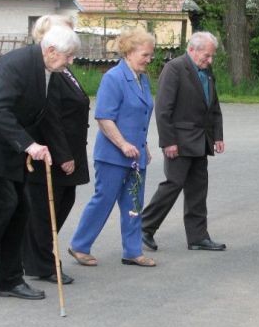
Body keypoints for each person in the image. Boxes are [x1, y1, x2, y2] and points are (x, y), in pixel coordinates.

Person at [0, 25, 81, 302]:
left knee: (21, 208)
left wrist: (57, 150)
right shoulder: (18, 64)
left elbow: (48, 115)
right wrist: (29, 144)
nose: (70, 62)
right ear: (51, 50)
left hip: (8, 145)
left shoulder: (48, 70)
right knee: (2, 204)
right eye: (68, 56)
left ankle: (9, 279)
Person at [68, 28, 156, 267]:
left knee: (134, 204)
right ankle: (79, 245)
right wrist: (123, 144)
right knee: (103, 200)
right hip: (112, 156)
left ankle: (132, 251)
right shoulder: (113, 78)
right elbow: (104, 118)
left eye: (151, 55)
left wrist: (143, 144)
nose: (149, 59)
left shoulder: (143, 79)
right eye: (145, 55)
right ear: (129, 52)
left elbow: (139, 115)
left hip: (136, 155)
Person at [140, 31, 226, 252]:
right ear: (192, 49)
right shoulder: (175, 68)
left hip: (201, 140)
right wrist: (168, 141)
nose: (210, 60)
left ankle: (198, 237)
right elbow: (163, 109)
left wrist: (217, 135)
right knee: (173, 184)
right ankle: (144, 227)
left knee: (198, 188)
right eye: (207, 56)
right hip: (179, 140)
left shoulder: (206, 71)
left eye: (211, 56)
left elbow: (213, 104)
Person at [22, 15, 90, 285]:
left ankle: (36, 257)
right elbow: (51, 117)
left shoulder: (63, 66)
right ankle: (42, 263)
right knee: (44, 210)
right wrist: (63, 156)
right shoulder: (45, 71)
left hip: (71, 147)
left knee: (63, 203)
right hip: (53, 152)